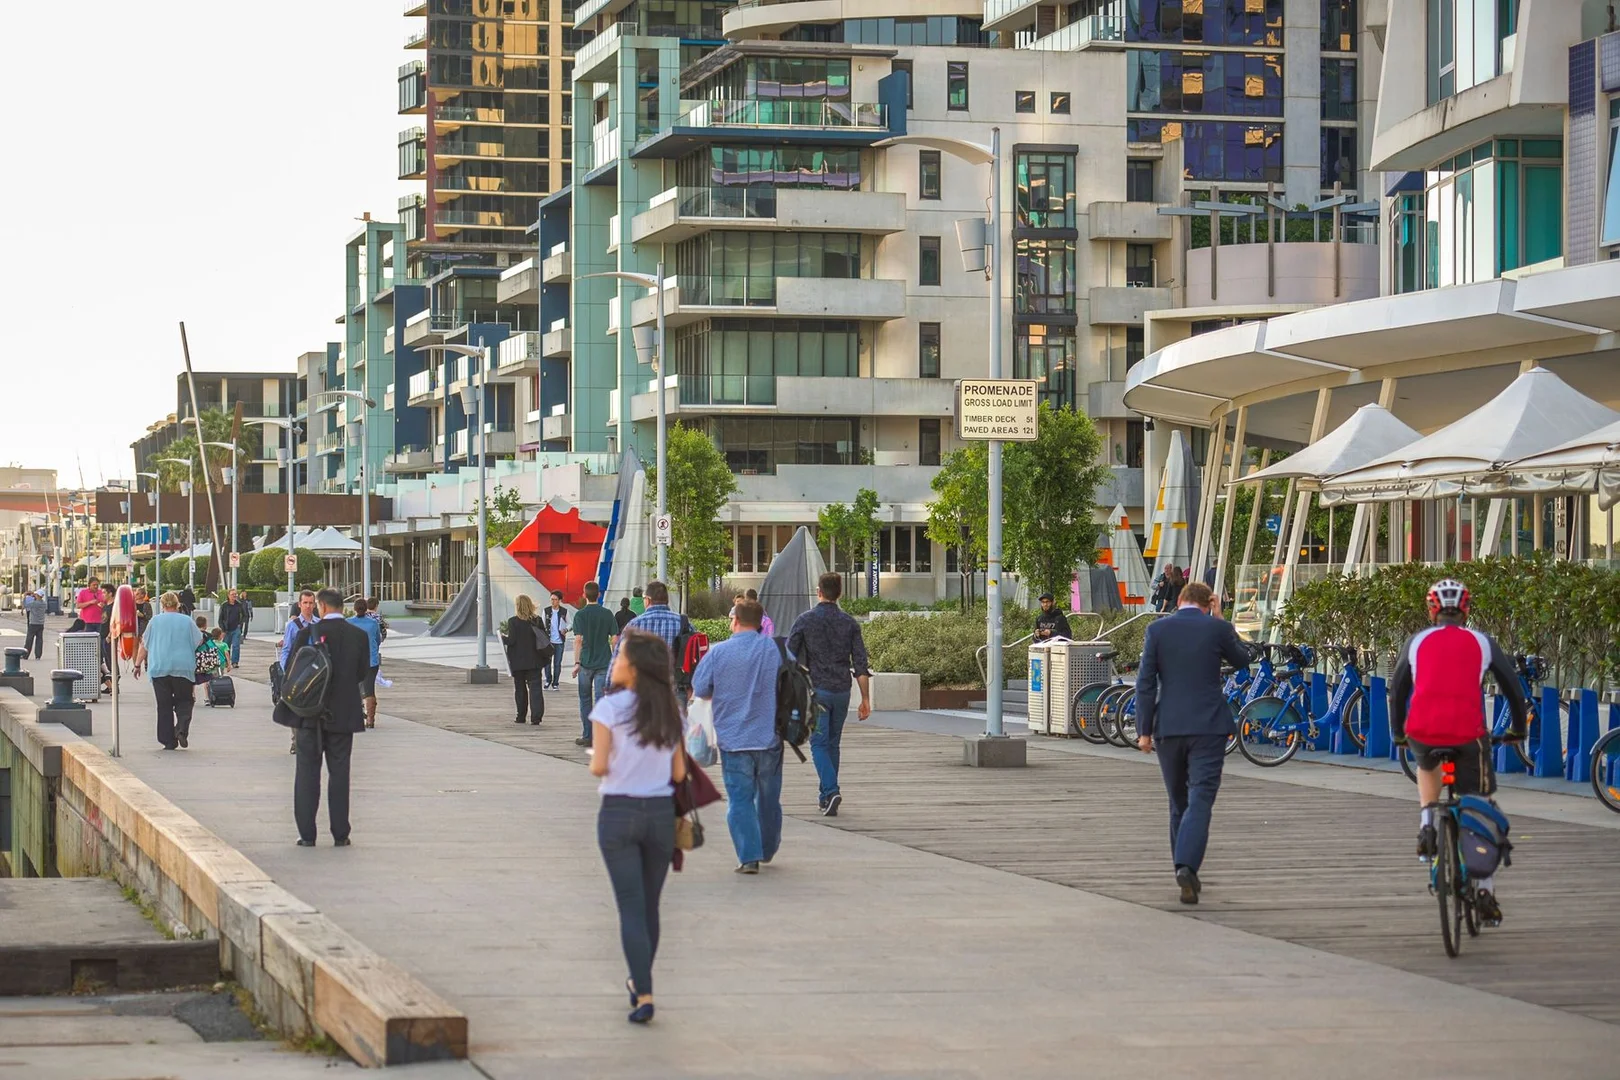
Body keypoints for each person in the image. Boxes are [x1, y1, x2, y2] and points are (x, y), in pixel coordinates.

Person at [1390, 578, 1528, 926]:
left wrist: (1398, 733)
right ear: (1465, 609)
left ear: (1432, 609)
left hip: (1422, 730)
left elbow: (1397, 689)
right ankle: (1485, 891)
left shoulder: (1417, 641)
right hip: (1469, 734)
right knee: (1479, 803)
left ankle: (1426, 824)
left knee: (1426, 763)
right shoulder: (1482, 641)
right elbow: (1512, 686)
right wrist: (1518, 729)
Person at [587, 629, 687, 1025]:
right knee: (650, 906)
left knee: (630, 906)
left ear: (634, 666)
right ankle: (640, 980)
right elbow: (679, 771)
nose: (616, 661)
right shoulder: (671, 710)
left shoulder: (609, 709)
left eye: (621, 656)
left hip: (618, 813)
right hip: (660, 814)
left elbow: (598, 765)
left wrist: (607, 758)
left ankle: (643, 991)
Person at [1133, 581, 1254, 905]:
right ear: (1207, 602)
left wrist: (1143, 730)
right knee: (1200, 797)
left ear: (1181, 600)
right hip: (1208, 727)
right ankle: (1186, 866)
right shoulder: (1216, 629)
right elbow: (1243, 661)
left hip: (1168, 727)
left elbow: (1145, 684)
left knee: (1178, 801)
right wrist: (1220, 617)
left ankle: (1183, 870)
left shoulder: (1157, 631)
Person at [274, 588, 371, 847]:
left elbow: (294, 670)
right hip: (343, 715)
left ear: (322, 607)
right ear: (341, 607)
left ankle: (307, 834)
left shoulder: (308, 634)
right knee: (340, 773)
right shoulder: (358, 636)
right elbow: (362, 673)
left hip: (309, 714)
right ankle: (341, 833)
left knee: (307, 772)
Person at [692, 599, 782, 873]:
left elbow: (700, 687)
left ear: (736, 621)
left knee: (739, 799)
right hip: (769, 737)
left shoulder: (720, 653)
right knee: (768, 798)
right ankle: (767, 848)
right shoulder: (776, 650)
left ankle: (749, 855)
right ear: (760, 622)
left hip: (733, 739)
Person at [786, 572, 872, 817]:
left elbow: (789, 655)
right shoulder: (850, 623)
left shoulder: (804, 620)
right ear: (840, 593)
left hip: (817, 690)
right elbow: (861, 664)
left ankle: (832, 790)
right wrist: (865, 699)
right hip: (842, 691)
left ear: (818, 591)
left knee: (818, 743)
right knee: (833, 743)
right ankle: (826, 797)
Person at [133, 591, 204, 750]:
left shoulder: (154, 621)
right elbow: (198, 640)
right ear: (177, 604)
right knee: (185, 700)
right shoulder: (187, 621)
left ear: (163, 605)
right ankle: (181, 729)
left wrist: (137, 665)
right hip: (183, 667)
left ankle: (168, 740)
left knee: (163, 705)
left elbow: (144, 644)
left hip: (159, 667)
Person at [572, 581, 618, 748]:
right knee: (601, 700)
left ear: (584, 595)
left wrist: (577, 662)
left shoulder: (580, 615)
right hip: (604, 663)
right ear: (598, 595)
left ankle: (587, 736)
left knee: (585, 699)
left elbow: (578, 640)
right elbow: (614, 639)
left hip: (585, 663)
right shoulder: (607, 614)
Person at [277, 591, 319, 754]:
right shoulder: (293, 626)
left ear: (314, 604)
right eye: (305, 603)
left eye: (311, 603)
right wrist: (286, 670)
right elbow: (287, 649)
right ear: (300, 605)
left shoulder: (319, 624)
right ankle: (296, 741)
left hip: (315, 673)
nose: (308, 606)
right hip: (297, 672)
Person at [614, 581, 685, 671]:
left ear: (647, 600)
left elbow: (619, 657)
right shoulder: (683, 622)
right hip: (674, 680)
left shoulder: (634, 624)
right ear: (667, 600)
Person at [500, 594, 547, 726]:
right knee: (535, 689)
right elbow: (543, 638)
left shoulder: (513, 621)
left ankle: (521, 716)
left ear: (517, 606)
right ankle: (536, 717)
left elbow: (512, 640)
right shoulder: (537, 620)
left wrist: (503, 638)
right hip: (535, 660)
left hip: (518, 662)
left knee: (520, 689)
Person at [348, 597, 384, 729]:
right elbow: (377, 639)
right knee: (369, 689)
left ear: (355, 609)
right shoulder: (373, 623)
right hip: (371, 661)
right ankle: (370, 719)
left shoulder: (348, 623)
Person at [543, 591, 570, 690]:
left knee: (557, 663)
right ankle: (548, 680)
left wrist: (566, 629)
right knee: (547, 662)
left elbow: (570, 623)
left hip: (559, 641)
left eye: (555, 599)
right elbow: (542, 624)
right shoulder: (546, 611)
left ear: (559, 601)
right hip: (548, 641)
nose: (553, 601)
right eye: (551, 599)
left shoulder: (564, 611)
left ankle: (555, 683)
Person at [218, 589, 248, 668]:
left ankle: (235, 662)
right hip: (226, 629)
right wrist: (223, 629)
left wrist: (240, 623)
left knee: (236, 646)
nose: (234, 596)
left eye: (235, 594)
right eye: (232, 594)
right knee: (226, 646)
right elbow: (220, 619)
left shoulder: (239, 604)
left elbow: (245, 615)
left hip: (236, 629)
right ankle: (226, 662)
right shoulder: (224, 605)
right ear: (228, 595)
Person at [22, 589, 46, 659]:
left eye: (36, 594)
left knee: (29, 640)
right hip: (40, 624)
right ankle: (38, 655)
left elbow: (25, 605)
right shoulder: (44, 603)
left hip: (33, 623)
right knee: (39, 640)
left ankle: (25, 655)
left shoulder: (34, 603)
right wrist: (33, 595)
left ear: (38, 596)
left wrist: (25, 596)